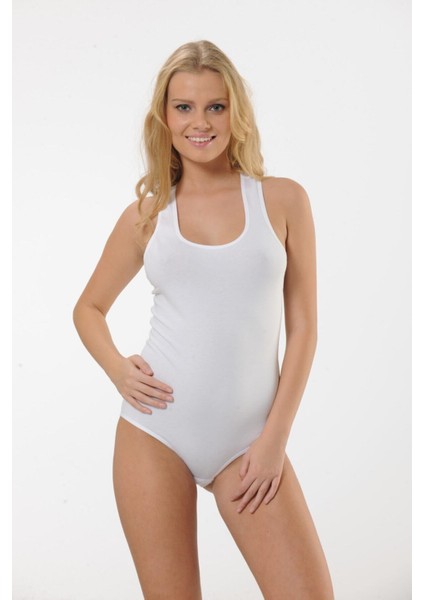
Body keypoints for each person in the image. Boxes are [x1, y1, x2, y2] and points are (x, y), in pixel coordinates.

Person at [73, 39, 334, 599]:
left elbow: (305, 329)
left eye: (215, 106)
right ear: (164, 118)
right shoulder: (147, 215)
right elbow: (87, 308)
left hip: (251, 442)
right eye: (184, 107)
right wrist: (118, 369)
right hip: (155, 432)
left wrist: (274, 440)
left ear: (235, 112)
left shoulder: (283, 201)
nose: (200, 122)